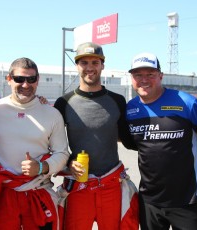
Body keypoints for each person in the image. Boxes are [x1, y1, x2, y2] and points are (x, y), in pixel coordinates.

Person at [126, 52, 197, 230]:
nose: (144, 79)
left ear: (160, 76)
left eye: (150, 74)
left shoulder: (186, 103)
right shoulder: (130, 109)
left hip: (186, 201)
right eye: (138, 75)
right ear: (132, 78)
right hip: (149, 203)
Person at [54, 42, 139, 230]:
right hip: (78, 186)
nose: (90, 67)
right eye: (84, 62)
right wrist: (68, 163)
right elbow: (54, 144)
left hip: (111, 185)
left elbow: (128, 139)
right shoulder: (63, 103)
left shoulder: (117, 100)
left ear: (102, 65)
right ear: (77, 66)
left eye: (95, 62)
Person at [0, 57, 69, 230]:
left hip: (38, 191)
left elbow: (62, 153)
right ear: (9, 79)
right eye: (19, 79)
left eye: (31, 79)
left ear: (38, 80)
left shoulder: (52, 113)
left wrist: (42, 167)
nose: (25, 84)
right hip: (2, 194)